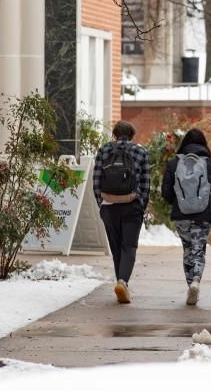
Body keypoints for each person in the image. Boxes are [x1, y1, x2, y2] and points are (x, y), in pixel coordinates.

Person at [161, 128, 211, 306]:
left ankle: (190, 284)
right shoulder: (208, 163)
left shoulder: (174, 164)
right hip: (202, 215)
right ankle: (196, 280)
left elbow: (165, 192)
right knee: (198, 249)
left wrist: (178, 203)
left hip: (181, 215)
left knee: (187, 249)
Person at [92, 120, 151, 304]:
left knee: (116, 247)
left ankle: (121, 283)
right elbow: (146, 183)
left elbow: (96, 180)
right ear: (132, 136)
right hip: (132, 205)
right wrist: (141, 205)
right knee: (129, 246)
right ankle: (122, 282)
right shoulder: (140, 151)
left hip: (109, 206)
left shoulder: (104, 150)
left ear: (114, 134)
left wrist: (102, 203)